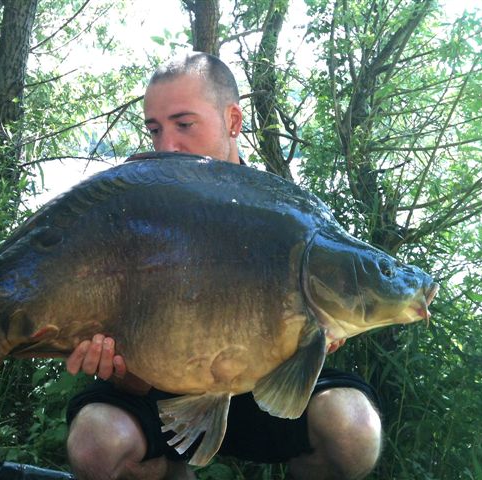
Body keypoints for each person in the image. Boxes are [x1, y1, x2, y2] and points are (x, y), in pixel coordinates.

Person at [64, 52, 382, 480]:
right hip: (162, 385)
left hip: (264, 383)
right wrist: (119, 367)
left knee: (354, 429)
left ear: (233, 121)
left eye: (184, 124)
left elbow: (332, 308)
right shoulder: (134, 211)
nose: (167, 145)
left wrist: (319, 335)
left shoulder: (285, 215)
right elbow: (134, 366)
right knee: (96, 441)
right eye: (155, 129)